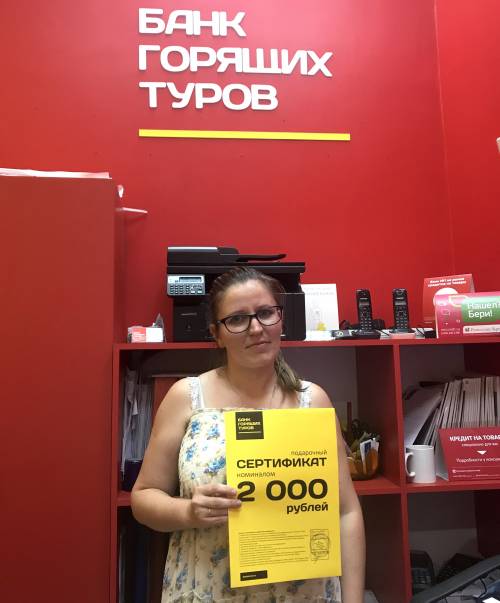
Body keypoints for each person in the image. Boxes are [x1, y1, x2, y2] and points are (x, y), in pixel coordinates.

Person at [131, 266, 365, 602]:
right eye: (237, 319)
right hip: (209, 592)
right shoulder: (188, 398)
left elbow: (346, 511)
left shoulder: (313, 401)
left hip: (305, 593)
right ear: (217, 334)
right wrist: (189, 512)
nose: (256, 328)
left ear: (281, 320)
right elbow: (143, 497)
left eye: (266, 313)